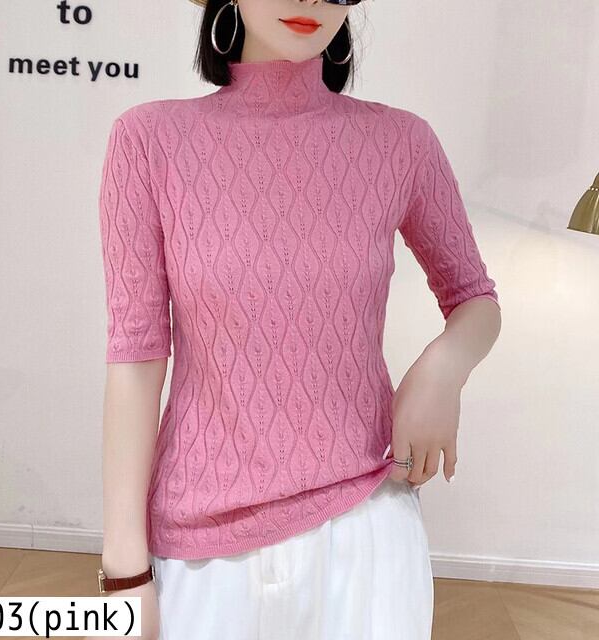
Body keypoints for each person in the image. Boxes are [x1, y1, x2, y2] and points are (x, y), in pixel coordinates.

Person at [96, 1, 502, 639]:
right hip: (201, 548)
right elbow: (137, 354)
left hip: (366, 526)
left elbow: (474, 297)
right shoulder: (149, 140)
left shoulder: (401, 142)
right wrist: (123, 571)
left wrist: (444, 367)